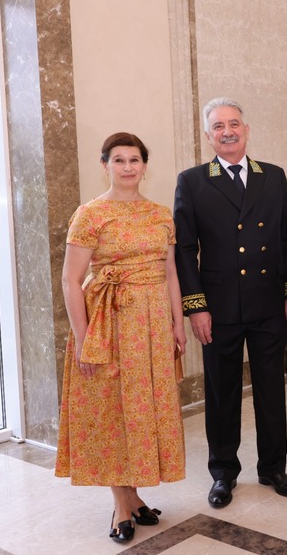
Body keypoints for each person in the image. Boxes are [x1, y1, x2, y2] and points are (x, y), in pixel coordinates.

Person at [56, 132, 187, 543]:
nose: (128, 167)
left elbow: (170, 273)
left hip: (153, 324)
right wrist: (83, 339)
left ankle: (133, 495)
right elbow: (70, 280)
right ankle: (120, 504)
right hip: (109, 323)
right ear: (105, 165)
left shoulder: (161, 214)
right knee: (114, 410)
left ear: (145, 166)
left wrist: (177, 322)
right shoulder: (90, 214)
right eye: (119, 160)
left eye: (134, 160)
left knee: (143, 408)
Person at [174, 97, 287, 508]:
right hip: (219, 309)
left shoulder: (273, 176)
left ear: (246, 130)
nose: (227, 131)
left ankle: (273, 467)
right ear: (208, 136)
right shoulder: (193, 181)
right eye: (218, 126)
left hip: (268, 304)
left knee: (272, 390)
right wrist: (196, 306)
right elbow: (184, 250)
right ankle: (223, 472)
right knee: (221, 394)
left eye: (234, 124)